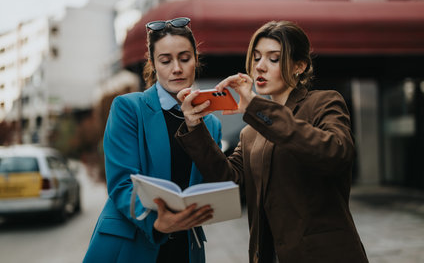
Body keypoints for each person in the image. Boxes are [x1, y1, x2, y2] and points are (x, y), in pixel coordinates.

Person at [176, 21, 368, 262]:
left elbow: (336, 154)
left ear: (300, 65)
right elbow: (228, 181)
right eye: (256, 58)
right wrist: (195, 126)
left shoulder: (324, 102)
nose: (260, 67)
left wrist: (256, 108)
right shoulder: (250, 132)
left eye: (273, 58)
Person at [83, 17, 221, 263]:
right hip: (131, 241)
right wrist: (156, 222)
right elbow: (121, 182)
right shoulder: (129, 108)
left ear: (196, 60)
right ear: (153, 64)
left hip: (185, 247)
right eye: (165, 60)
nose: (176, 68)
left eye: (185, 58)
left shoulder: (211, 124)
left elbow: (213, 184)